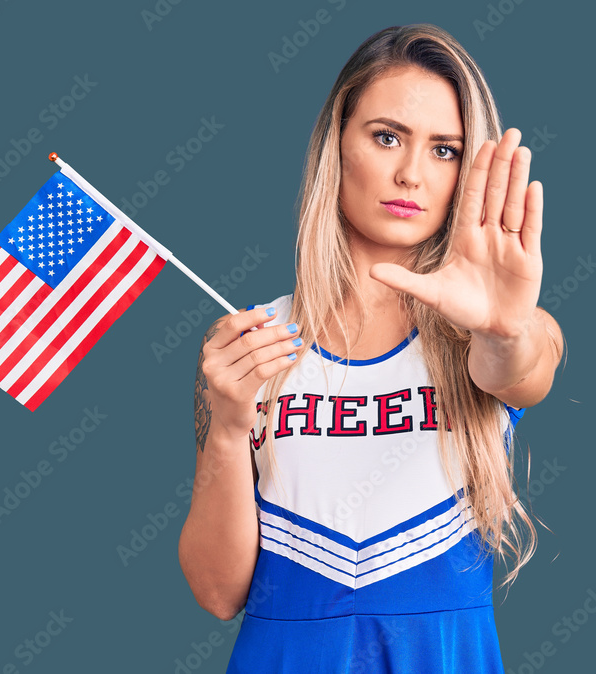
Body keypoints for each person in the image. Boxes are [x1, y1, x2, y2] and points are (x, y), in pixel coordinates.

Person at [178, 24, 565, 673]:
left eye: (445, 150)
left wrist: (502, 329)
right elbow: (220, 595)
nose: (411, 173)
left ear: (468, 172)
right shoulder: (251, 342)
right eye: (387, 137)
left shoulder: (500, 329)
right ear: (338, 145)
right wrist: (227, 429)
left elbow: (523, 369)